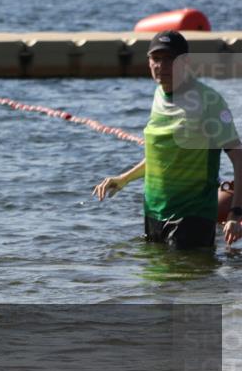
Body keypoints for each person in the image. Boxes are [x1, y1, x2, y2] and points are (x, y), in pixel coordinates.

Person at [94, 31, 242, 249]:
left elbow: (239, 159)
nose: (161, 66)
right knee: (154, 281)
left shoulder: (209, 101)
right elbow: (161, 156)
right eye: (156, 59)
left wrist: (234, 214)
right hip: (154, 211)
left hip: (192, 216)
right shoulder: (159, 95)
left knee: (185, 281)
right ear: (149, 62)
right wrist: (124, 178)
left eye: (170, 59)